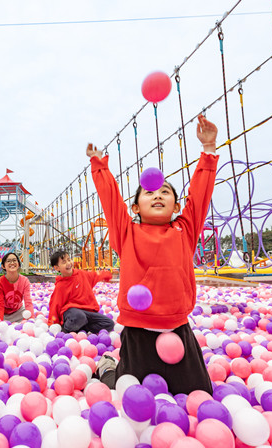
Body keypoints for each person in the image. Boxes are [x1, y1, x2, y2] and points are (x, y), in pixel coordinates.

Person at [88, 115, 219, 395]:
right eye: (149, 193)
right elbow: (111, 201)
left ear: (175, 206)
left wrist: (208, 150)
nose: (157, 195)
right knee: (129, 394)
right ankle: (108, 367)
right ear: (135, 208)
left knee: (199, 392)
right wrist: (100, 166)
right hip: (138, 328)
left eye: (164, 192)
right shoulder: (127, 233)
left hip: (178, 326)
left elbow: (200, 196)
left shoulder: (185, 229)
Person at [47, 250, 115, 334]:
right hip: (72, 312)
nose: (68, 263)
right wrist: (53, 323)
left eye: (69, 259)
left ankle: (82, 328)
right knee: (79, 317)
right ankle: (65, 330)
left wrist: (105, 275)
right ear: (57, 268)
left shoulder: (81, 274)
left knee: (109, 324)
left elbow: (94, 275)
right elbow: (55, 304)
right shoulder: (61, 285)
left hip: (88, 312)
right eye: (64, 262)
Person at [0, 252, 34, 323]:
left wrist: (31, 319)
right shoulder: (0, 282)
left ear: (18, 264)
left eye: (14, 260)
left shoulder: (24, 281)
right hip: (2, 312)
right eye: (8, 261)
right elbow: (0, 304)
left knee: (28, 318)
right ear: (3, 266)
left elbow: (28, 302)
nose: (12, 263)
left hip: (18, 311)